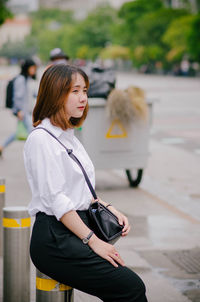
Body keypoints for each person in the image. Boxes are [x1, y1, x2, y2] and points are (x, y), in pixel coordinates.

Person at [23, 64, 148, 302]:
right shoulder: (41, 140)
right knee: (130, 287)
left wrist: (109, 207)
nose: (84, 98)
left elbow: (80, 189)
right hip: (55, 238)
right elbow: (57, 200)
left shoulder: (70, 136)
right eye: (75, 91)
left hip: (74, 228)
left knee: (128, 287)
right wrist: (94, 242)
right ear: (56, 94)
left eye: (85, 91)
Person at [0, 58, 37, 156]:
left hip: (28, 111)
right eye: (33, 68)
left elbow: (34, 94)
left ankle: (2, 146)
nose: (34, 70)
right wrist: (19, 111)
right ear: (27, 68)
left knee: (18, 133)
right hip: (23, 112)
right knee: (32, 132)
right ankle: (34, 154)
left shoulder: (28, 79)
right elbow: (17, 96)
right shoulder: (21, 79)